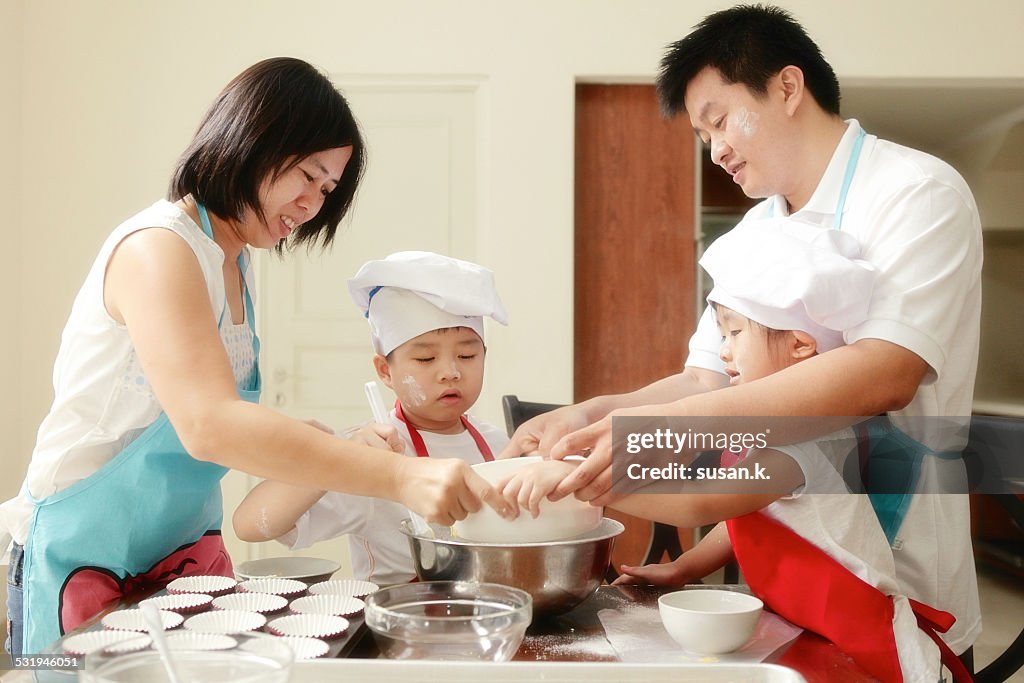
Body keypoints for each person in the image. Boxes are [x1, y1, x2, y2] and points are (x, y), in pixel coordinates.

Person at [499, 4, 982, 663]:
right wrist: (595, 412)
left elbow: (884, 369)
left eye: (720, 120)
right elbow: (707, 377)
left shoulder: (916, 193)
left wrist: (649, 440)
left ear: (787, 87)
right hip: (781, 599)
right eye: (703, 136)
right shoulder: (756, 234)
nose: (715, 148)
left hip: (900, 596)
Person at [1, 59, 509, 657]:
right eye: (307, 175)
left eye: (327, 190)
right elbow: (209, 423)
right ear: (251, 139)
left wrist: (308, 443)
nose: (312, 204)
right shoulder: (159, 249)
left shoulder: (236, 263)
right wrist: (401, 475)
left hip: (181, 551)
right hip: (88, 555)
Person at [501, 219, 963, 682]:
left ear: (801, 345)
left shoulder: (816, 436)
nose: (723, 353)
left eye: (735, 333)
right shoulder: (768, 430)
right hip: (805, 625)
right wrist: (684, 568)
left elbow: (700, 502)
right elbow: (748, 520)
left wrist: (582, 482)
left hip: (859, 639)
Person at [234, 251, 510, 585]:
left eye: (467, 355)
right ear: (385, 371)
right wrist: (337, 457)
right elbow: (249, 525)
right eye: (425, 358)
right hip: (399, 622)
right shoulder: (370, 452)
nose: (450, 373)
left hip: (489, 616)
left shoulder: (497, 444)